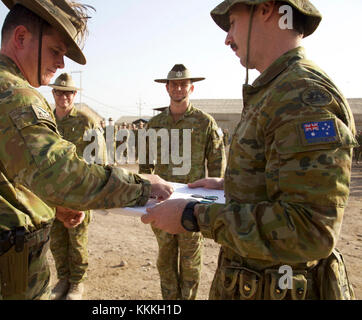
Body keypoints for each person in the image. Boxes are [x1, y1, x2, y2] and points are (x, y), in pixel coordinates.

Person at [0, 0, 172, 300]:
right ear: (21, 37)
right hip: (2, 271)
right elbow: (61, 174)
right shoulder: (14, 95)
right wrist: (143, 186)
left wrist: (51, 205)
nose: (62, 64)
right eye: (55, 50)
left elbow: (6, 180)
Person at [142, 0, 357, 300]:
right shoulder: (275, 90)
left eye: (232, 22)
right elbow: (278, 185)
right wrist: (233, 186)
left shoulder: (300, 95)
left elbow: (310, 230)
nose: (228, 37)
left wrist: (195, 215)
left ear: (266, 9)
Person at [139, 64, 226, 300]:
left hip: (193, 205)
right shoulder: (154, 124)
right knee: (165, 260)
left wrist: (215, 204)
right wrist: (147, 191)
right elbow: (145, 166)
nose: (178, 88)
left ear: (191, 88)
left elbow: (217, 170)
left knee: (190, 263)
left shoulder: (205, 122)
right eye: (174, 84)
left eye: (183, 84)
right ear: (167, 88)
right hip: (163, 201)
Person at [48, 73, 107, 300]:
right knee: (57, 240)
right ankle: (63, 278)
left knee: (77, 240)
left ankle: (77, 283)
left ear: (75, 94)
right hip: (52, 193)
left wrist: (89, 197)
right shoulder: (46, 121)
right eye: (59, 92)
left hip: (79, 193)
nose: (64, 97)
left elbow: (99, 161)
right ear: (53, 93)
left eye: (69, 93)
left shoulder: (86, 121)